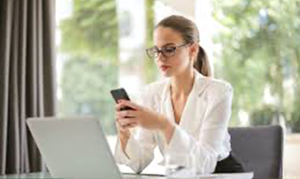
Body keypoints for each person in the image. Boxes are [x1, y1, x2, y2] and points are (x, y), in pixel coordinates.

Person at [114, 15, 244, 174]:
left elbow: (205, 165)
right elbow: (139, 162)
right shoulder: (151, 94)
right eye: (156, 50)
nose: (160, 57)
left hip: (220, 174)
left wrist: (163, 124)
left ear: (193, 49)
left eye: (169, 49)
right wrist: (124, 132)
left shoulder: (218, 91)